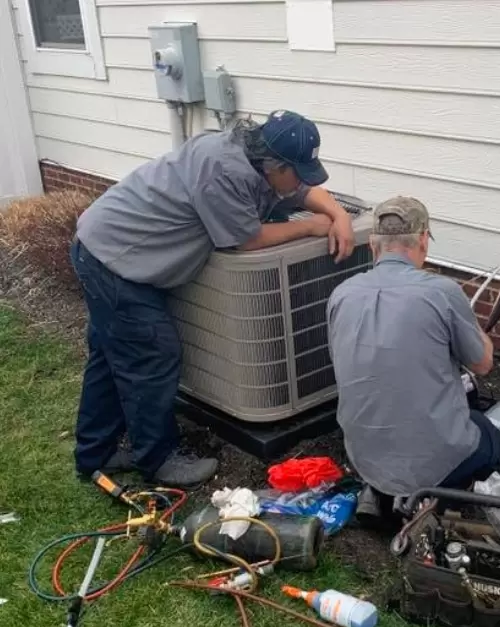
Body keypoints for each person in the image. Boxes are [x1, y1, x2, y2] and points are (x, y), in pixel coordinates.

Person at [70, 110, 355, 488]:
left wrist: (338, 214)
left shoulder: (256, 159)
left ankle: (95, 452)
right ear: (274, 164)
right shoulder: (223, 172)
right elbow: (245, 238)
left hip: (106, 246)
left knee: (110, 356)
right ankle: (157, 459)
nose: (304, 180)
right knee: (153, 353)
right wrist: (309, 225)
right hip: (114, 258)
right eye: (298, 171)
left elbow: (301, 190)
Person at [326, 196, 500, 506]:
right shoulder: (441, 292)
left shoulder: (341, 294)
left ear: (372, 244)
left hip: (363, 457)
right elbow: (482, 363)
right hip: (435, 468)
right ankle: (437, 498)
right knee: (488, 431)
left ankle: (384, 495)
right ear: (423, 240)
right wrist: (473, 329)